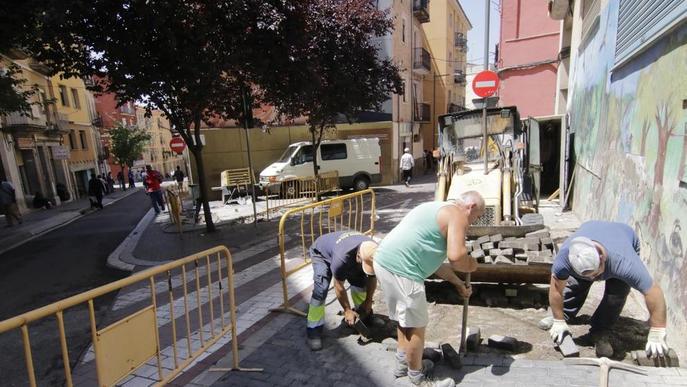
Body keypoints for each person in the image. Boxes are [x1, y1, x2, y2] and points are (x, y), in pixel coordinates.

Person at [373, 191, 485, 387]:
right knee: (416, 326)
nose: (474, 221)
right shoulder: (457, 215)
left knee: (403, 318)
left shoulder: (436, 209)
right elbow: (457, 258)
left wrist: (458, 283)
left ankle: (402, 364)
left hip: (383, 261)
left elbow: (437, 265)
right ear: (471, 207)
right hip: (404, 270)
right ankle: (417, 377)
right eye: (477, 216)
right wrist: (472, 264)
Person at [540, 221, 669, 358]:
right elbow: (556, 289)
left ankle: (600, 330)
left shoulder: (624, 263)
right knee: (576, 283)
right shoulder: (566, 258)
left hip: (624, 237)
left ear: (601, 258)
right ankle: (563, 316)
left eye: (595, 274)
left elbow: (653, 291)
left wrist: (657, 329)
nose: (593, 278)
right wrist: (558, 320)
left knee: (616, 294)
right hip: (591, 228)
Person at [305, 231, 379, 351]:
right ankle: (313, 329)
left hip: (343, 248)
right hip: (321, 253)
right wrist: (347, 310)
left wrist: (369, 301)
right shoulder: (342, 258)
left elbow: (372, 277)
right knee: (321, 290)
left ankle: (364, 315)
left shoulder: (373, 249)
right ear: (358, 256)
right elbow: (338, 285)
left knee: (360, 283)